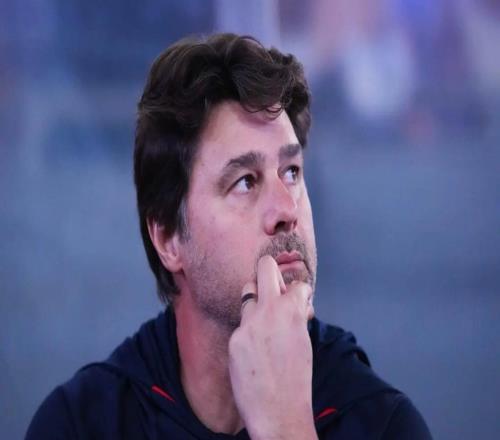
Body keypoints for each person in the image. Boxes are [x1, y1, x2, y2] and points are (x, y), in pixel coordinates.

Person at [26, 33, 432, 439]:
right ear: (168, 239)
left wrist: (285, 427)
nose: (286, 210)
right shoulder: (82, 425)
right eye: (245, 182)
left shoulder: (382, 424)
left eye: (291, 172)